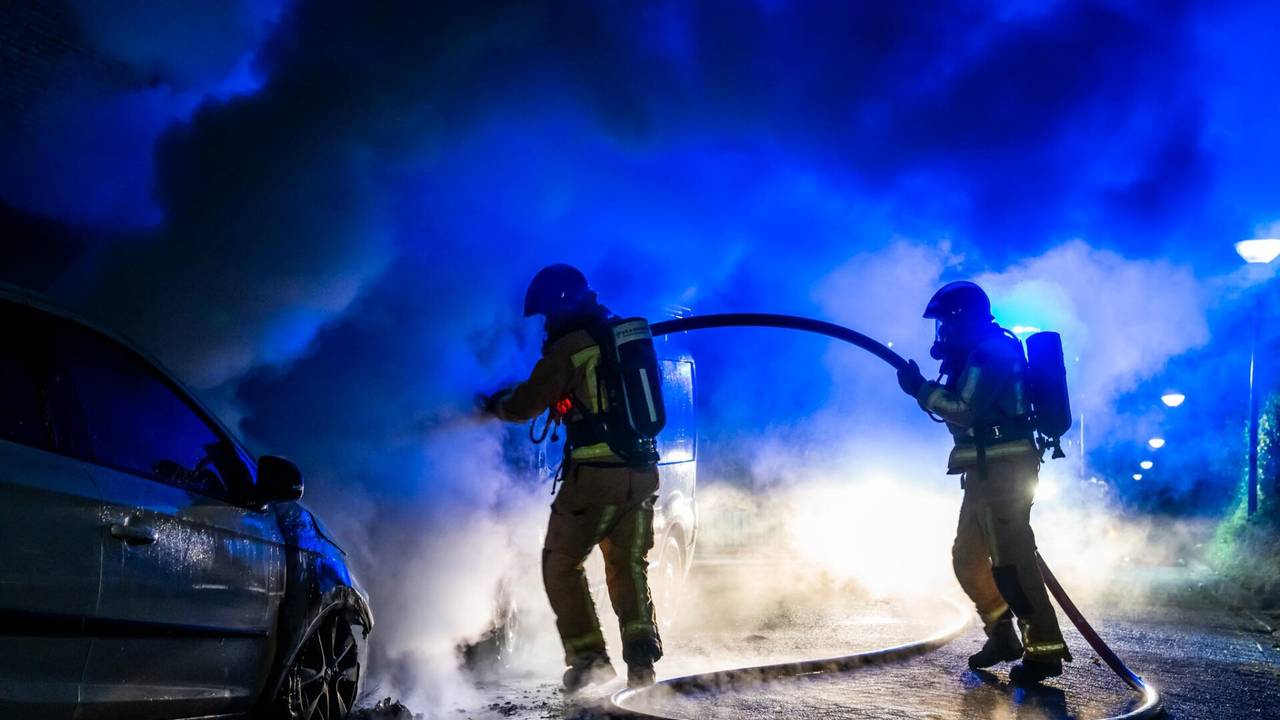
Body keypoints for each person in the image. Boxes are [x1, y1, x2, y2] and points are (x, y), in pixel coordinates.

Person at [482, 264, 663, 691]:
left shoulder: (569, 348)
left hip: (596, 480)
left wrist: (495, 407)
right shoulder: (619, 336)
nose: (546, 323)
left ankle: (589, 662)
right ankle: (642, 661)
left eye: (547, 314)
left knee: (560, 564)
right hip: (642, 475)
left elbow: (526, 404)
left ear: (560, 305)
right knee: (628, 567)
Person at [896, 281, 1071, 684]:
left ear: (963, 319)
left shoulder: (992, 352)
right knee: (967, 560)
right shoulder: (976, 353)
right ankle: (1002, 636)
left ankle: (1043, 652)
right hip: (983, 473)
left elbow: (966, 410)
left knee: (1012, 564)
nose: (942, 333)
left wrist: (920, 389)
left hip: (1006, 473)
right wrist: (924, 388)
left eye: (946, 323)